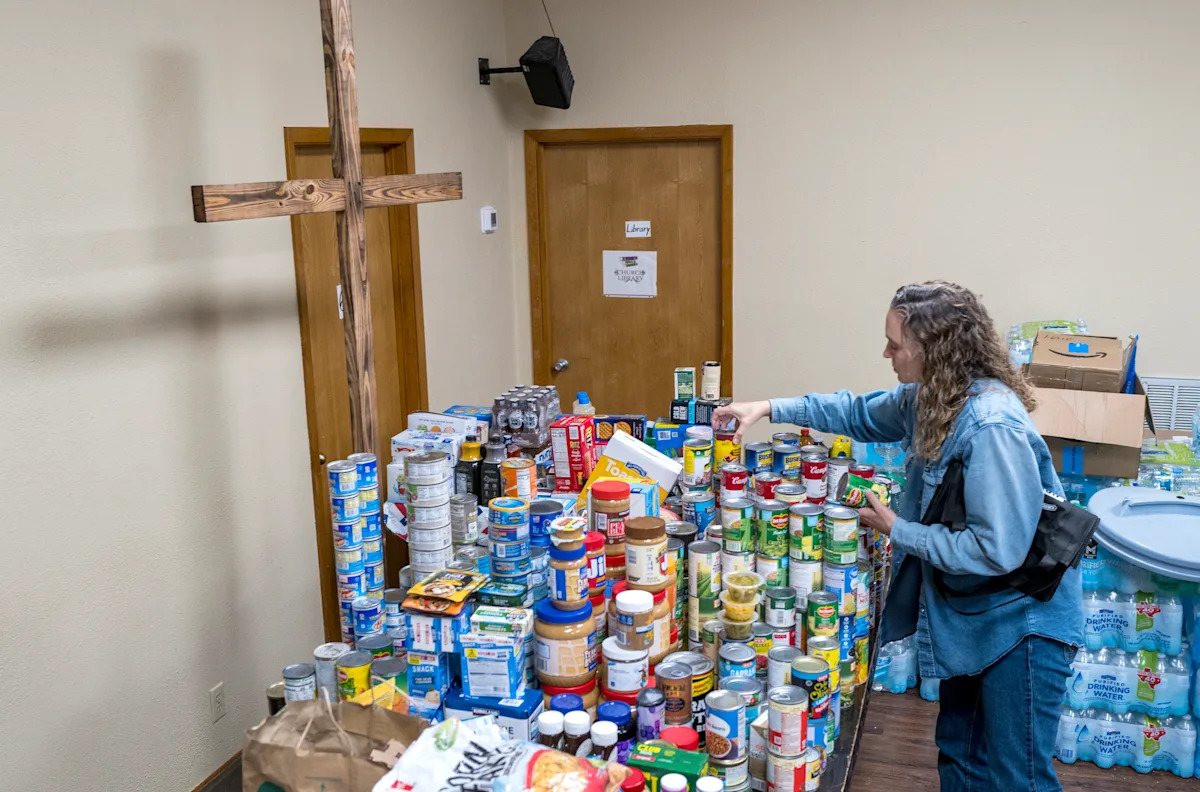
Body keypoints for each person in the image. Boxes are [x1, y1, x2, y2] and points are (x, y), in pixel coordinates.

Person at [713, 281, 1082, 792]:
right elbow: (854, 412)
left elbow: (997, 550)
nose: (885, 353)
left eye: (895, 343)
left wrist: (897, 529)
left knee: (1017, 776)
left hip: (1021, 626)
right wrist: (766, 407)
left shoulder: (991, 425)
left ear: (933, 349)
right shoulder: (932, 399)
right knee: (961, 755)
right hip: (975, 619)